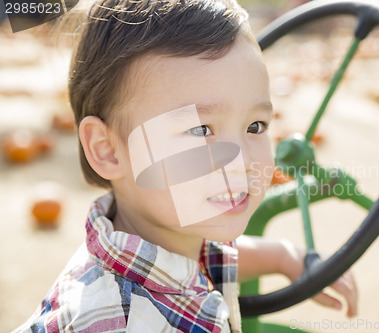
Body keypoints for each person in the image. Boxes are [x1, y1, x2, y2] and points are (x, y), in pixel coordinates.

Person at [14, 0, 357, 332]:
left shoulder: (164, 234)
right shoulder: (122, 322)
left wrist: (283, 256)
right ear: (109, 150)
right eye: (200, 130)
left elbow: (203, 261)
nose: (243, 161)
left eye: (255, 127)